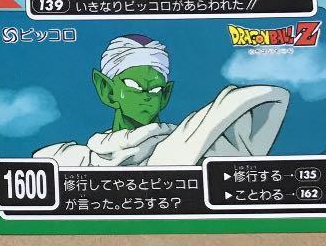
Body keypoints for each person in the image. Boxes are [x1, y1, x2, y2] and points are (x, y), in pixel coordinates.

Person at [33, 33, 288, 168]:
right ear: (107, 90)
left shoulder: (190, 144)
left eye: (155, 89)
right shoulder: (77, 160)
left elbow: (269, 98)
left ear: (165, 95)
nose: (146, 96)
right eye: (134, 87)